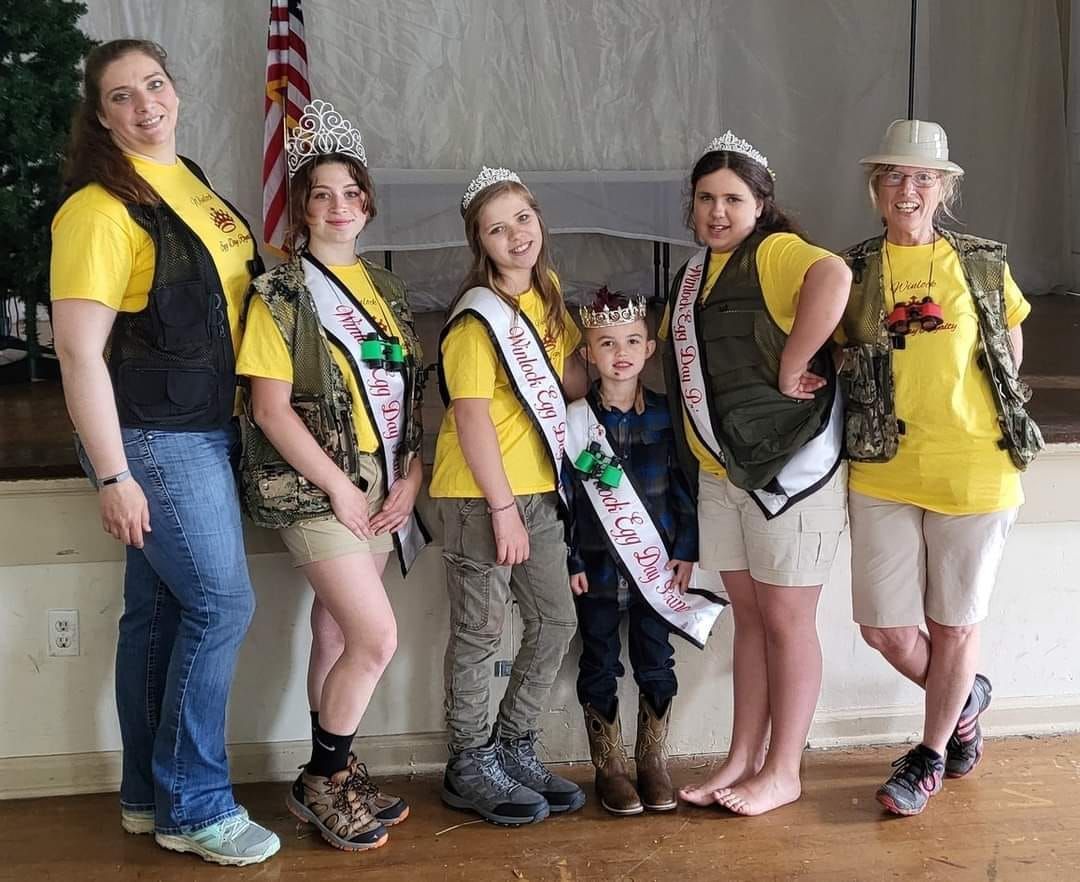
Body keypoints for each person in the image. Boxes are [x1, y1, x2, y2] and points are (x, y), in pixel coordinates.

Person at [50, 39, 279, 865]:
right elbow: (78, 353)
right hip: (154, 437)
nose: (145, 105)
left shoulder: (188, 181)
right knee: (222, 606)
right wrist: (113, 473)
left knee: (160, 614)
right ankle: (196, 806)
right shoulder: (97, 210)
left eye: (154, 85)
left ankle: (150, 797)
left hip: (201, 425)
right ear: (99, 114)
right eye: (121, 96)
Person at [236, 100, 426, 850]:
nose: (338, 206)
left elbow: (412, 392)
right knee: (376, 639)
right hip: (318, 484)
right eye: (322, 193)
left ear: (368, 204)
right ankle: (321, 777)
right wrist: (343, 488)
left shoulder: (388, 289)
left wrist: (409, 475)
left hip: (383, 480)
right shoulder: (279, 293)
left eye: (352, 192)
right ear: (302, 209)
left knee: (333, 630)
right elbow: (271, 410)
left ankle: (337, 777)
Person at [838, 119, 1042, 816]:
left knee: (953, 624)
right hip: (882, 468)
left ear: (945, 189)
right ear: (876, 188)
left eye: (923, 177)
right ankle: (966, 699)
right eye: (895, 176)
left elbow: (1009, 347)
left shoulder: (981, 264)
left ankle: (927, 757)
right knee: (884, 628)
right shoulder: (853, 269)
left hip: (973, 471)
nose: (908, 189)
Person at [663, 132, 852, 816]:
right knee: (751, 619)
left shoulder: (772, 252)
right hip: (725, 473)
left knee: (787, 621)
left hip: (787, 471)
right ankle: (743, 758)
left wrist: (791, 358)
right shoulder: (695, 273)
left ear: (761, 204)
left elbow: (832, 275)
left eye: (733, 199)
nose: (718, 212)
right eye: (707, 199)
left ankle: (784, 768)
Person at [430, 166, 588, 825]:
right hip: (479, 496)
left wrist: (616, 351)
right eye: (497, 228)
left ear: (538, 220)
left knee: (557, 620)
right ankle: (468, 762)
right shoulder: (475, 321)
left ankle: (514, 744)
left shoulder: (547, 293)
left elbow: (569, 379)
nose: (515, 235)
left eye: (522, 218)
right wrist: (500, 509)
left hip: (539, 488)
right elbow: (469, 418)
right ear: (480, 243)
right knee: (479, 632)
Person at [561, 288, 703, 816]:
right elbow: (567, 500)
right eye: (606, 343)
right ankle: (610, 767)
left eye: (631, 341)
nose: (620, 352)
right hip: (595, 567)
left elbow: (685, 486)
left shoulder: (669, 416)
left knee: (656, 660)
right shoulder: (573, 421)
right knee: (598, 661)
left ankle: (652, 762)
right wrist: (572, 559)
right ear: (588, 355)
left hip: (656, 567)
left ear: (649, 349)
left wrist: (686, 549)